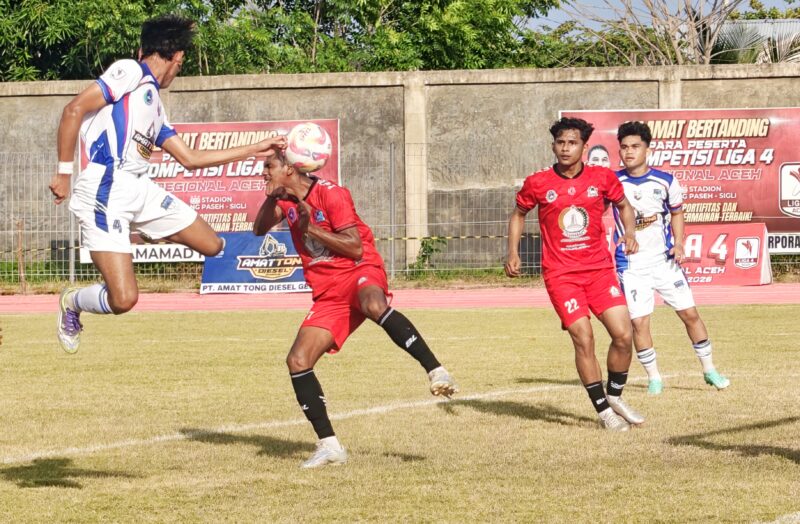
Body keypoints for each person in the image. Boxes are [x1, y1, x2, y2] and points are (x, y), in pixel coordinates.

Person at [48, 15, 285, 353]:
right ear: (177, 58)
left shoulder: (154, 104)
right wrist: (63, 172)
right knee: (124, 299)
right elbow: (73, 110)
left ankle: (149, 227)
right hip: (105, 190)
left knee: (213, 245)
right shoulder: (130, 71)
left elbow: (189, 159)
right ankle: (73, 302)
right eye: (181, 64)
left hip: (140, 188)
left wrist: (256, 147)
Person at [253, 151, 458, 468]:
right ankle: (330, 446)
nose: (263, 171)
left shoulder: (332, 194)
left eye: (269, 166)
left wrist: (311, 229)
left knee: (374, 304)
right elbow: (259, 228)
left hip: (358, 269)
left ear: (290, 168)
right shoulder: (284, 201)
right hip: (328, 291)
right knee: (297, 360)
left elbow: (354, 247)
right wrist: (272, 197)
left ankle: (436, 370)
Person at [505, 117, 643, 432]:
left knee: (623, 335)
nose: (566, 148)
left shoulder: (602, 178)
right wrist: (512, 252)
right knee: (584, 338)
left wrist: (630, 233)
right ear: (554, 146)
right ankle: (604, 412)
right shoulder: (538, 183)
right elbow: (518, 214)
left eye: (572, 143)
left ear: (583, 146)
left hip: (599, 271)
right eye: (561, 143)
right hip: (561, 275)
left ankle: (616, 396)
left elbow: (624, 206)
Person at [614, 121, 730, 395]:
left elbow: (677, 213)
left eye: (635, 146)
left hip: (664, 262)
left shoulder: (665, 181)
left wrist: (678, 243)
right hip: (631, 266)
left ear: (647, 150)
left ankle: (709, 370)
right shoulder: (613, 182)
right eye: (624, 147)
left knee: (690, 314)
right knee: (639, 322)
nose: (629, 152)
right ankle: (654, 378)